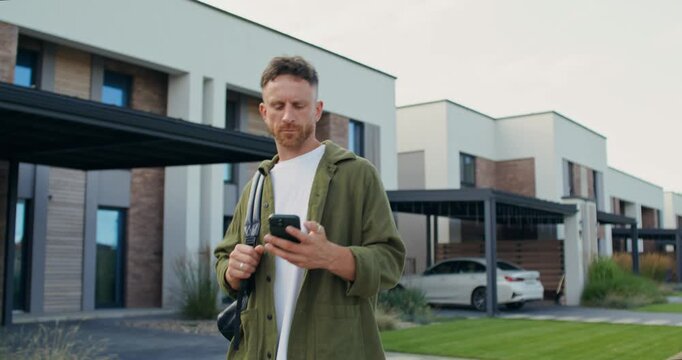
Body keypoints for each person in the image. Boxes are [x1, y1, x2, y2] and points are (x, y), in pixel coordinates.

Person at [214, 56, 405, 360]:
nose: (288, 116)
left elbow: (391, 263)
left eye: (299, 105)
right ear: (264, 112)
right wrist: (232, 272)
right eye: (278, 106)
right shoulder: (256, 186)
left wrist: (333, 256)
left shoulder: (357, 174)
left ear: (317, 110)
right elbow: (224, 258)